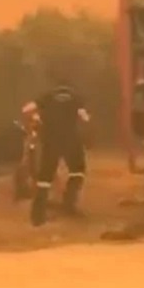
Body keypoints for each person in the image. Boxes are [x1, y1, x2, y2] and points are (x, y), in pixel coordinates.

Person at [23, 73, 90, 226]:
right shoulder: (76, 97)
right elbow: (85, 117)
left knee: (45, 178)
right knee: (77, 171)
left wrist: (36, 119)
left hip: (50, 140)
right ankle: (69, 203)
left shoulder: (46, 96)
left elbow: (26, 109)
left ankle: (37, 216)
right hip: (70, 140)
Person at [0, 114, 36, 203]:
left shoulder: (18, 127)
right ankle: (21, 189)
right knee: (22, 165)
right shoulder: (20, 129)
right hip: (4, 149)